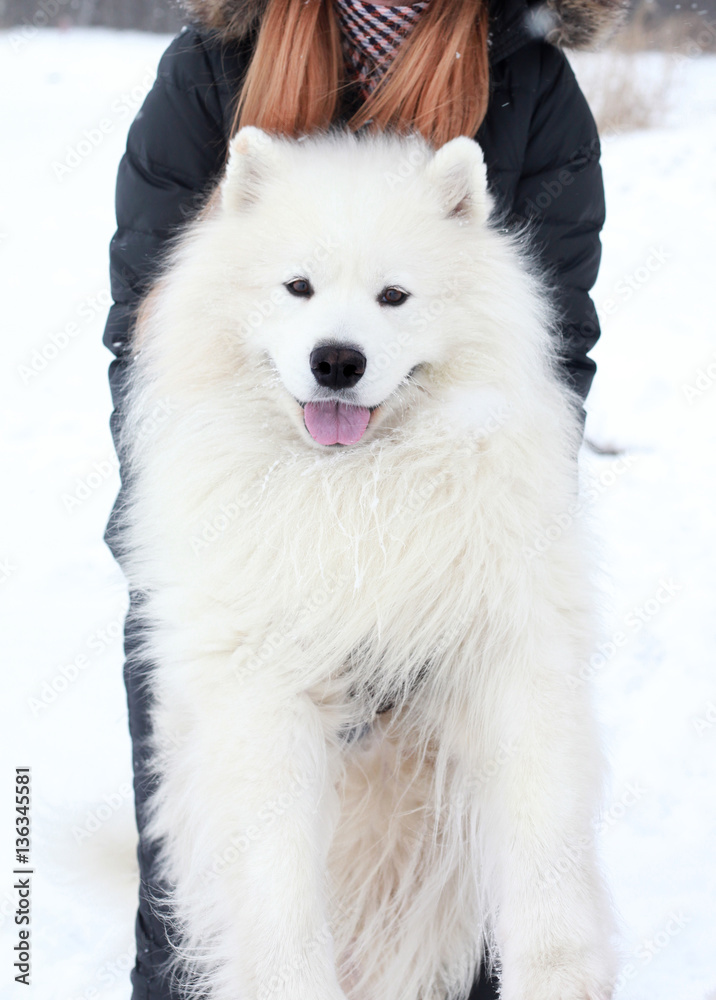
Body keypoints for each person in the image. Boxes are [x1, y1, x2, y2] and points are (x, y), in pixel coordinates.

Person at [103, 0, 626, 996]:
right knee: (236, 905)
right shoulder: (209, 72)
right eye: (298, 295)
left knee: (441, 928)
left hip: (455, 519)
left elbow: (552, 353)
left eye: (388, 302)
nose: (333, 343)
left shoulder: (532, 87)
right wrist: (220, 545)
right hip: (244, 540)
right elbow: (145, 336)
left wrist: (480, 552)